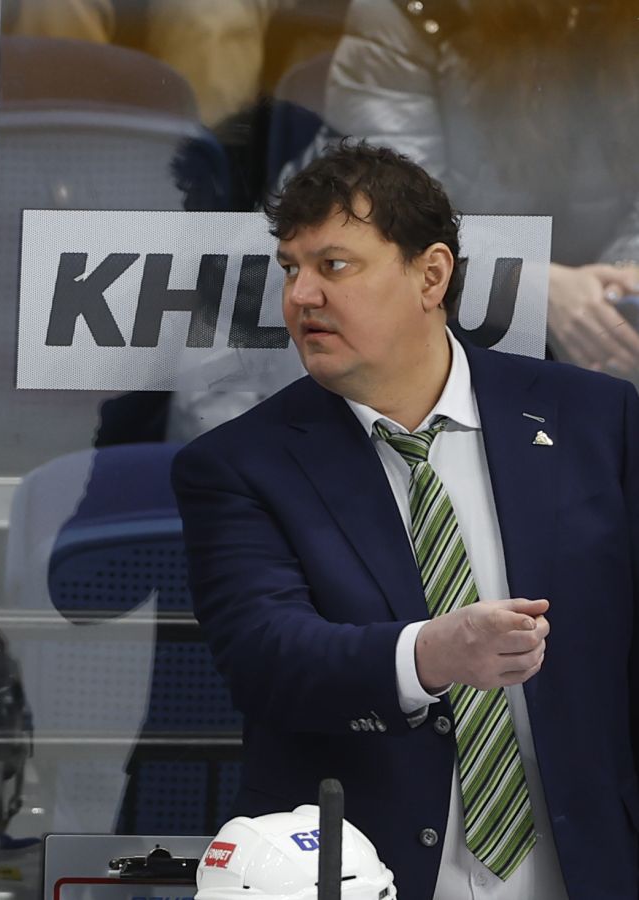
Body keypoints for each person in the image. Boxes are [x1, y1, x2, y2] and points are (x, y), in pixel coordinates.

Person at [173, 141, 638, 899]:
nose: (302, 295)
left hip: (588, 867)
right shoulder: (238, 464)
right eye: (291, 269)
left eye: (335, 265)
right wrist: (428, 655)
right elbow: (267, 657)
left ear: (431, 275)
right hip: (362, 872)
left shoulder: (594, 419)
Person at [322, 0, 639, 381]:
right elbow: (391, 211)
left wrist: (619, 283)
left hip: (609, 318)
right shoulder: (406, 12)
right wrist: (526, 284)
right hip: (445, 318)